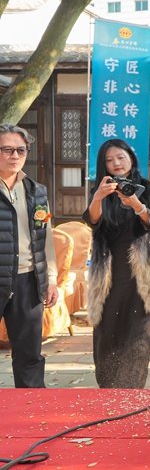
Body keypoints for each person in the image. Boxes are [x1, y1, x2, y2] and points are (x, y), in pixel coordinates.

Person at [84, 139, 150, 388]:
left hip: (141, 273)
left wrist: (137, 205)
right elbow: (93, 221)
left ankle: (132, 392)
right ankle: (109, 389)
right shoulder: (101, 188)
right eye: (109, 160)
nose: (116, 164)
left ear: (131, 157)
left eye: (120, 157)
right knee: (107, 332)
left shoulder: (146, 186)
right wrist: (98, 197)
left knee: (137, 335)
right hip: (109, 272)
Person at [0, 124, 58, 388]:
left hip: (27, 280)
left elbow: (45, 235)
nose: (14, 156)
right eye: (7, 149)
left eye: (20, 150)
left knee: (29, 354)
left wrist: (51, 280)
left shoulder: (37, 191)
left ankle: (33, 413)